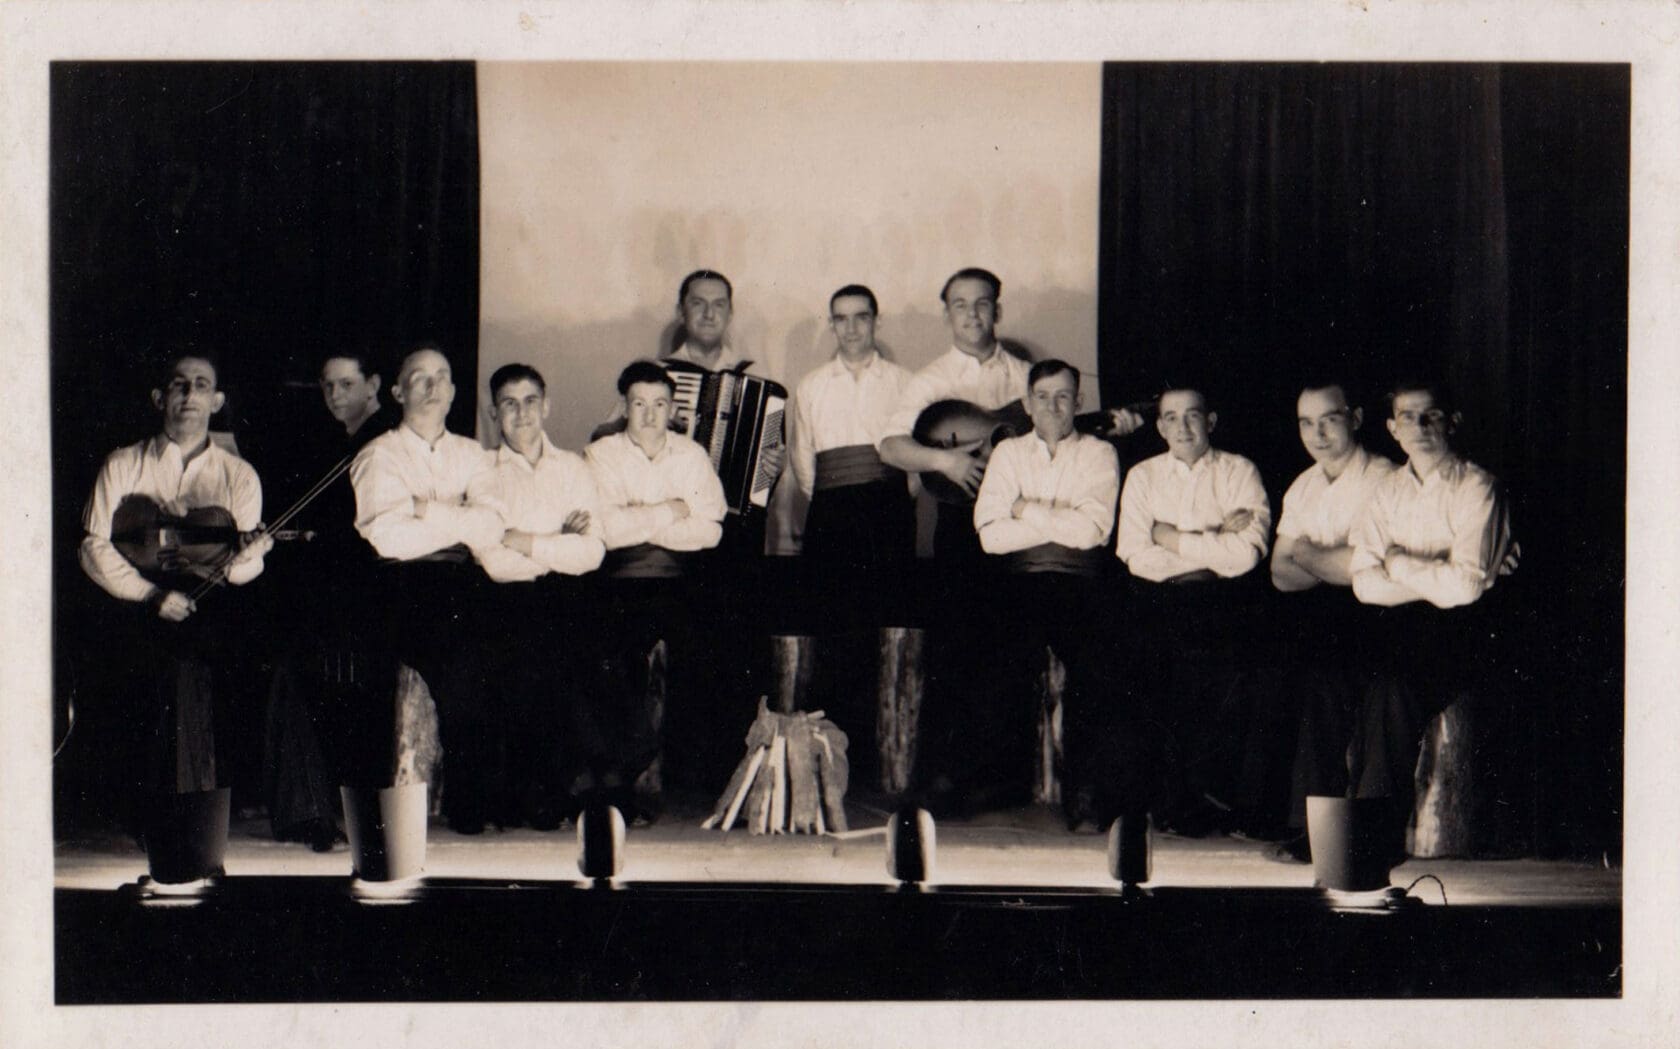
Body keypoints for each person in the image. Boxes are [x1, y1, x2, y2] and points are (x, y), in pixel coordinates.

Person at [78, 351, 274, 831]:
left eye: (201, 385)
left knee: (255, 659)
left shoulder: (239, 474)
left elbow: (239, 574)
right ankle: (162, 816)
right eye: (179, 385)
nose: (189, 395)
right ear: (159, 398)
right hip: (134, 595)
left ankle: (245, 812)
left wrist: (250, 553)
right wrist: (149, 596)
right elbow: (92, 546)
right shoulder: (123, 463)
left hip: (210, 592)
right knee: (164, 664)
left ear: (217, 401)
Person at [1340, 380, 1515, 848]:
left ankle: (1373, 835)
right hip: (1396, 623)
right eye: (1407, 417)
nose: (1418, 427)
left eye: (1430, 415)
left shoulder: (1477, 487)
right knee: (1339, 680)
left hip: (1462, 629)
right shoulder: (1386, 492)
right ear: (1392, 429)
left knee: (1393, 689)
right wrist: (1432, 570)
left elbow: (1464, 588)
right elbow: (1362, 582)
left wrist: (1396, 562)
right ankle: (1331, 830)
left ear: (1451, 422)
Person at [348, 345, 506, 834]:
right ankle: (465, 805)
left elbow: (494, 526)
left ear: (455, 391)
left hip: (463, 579)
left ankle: (491, 797)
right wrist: (460, 519)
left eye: (443, 376)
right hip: (399, 583)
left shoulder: (472, 454)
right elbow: (387, 535)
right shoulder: (378, 455)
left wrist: (424, 508)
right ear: (397, 391)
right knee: (456, 658)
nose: (433, 387)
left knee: (506, 650)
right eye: (420, 377)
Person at [1116, 383, 1273, 834]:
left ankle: (1211, 803)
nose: (1182, 427)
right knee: (1148, 677)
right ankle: (1165, 803)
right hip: (1157, 597)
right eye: (1171, 417)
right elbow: (1133, 553)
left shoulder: (1239, 471)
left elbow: (1246, 556)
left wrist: (1170, 536)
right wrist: (1214, 537)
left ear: (1211, 421)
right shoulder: (1143, 476)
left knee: (1223, 683)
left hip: (1224, 599)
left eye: (1192, 415)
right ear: (1160, 425)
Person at [972, 360, 1121, 824]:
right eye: (1043, 396)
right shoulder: (1008, 454)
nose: (1053, 406)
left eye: (1064, 396)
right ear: (1027, 404)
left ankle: (1088, 796)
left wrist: (1023, 508)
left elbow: (1092, 531)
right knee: (995, 664)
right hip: (1020, 582)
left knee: (1097, 675)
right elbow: (990, 536)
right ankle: (996, 784)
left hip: (1083, 584)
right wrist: (1056, 518)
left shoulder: (1099, 454)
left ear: (1079, 402)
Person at [261, 350, 399, 850]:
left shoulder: (387, 440)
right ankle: (312, 806)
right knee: (294, 659)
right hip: (337, 582)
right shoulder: (333, 442)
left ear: (375, 384)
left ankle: (321, 809)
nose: (335, 395)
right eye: (327, 386)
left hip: (374, 587)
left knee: (307, 665)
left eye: (346, 384)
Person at [466, 363, 606, 827]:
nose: (521, 412)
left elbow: (590, 553)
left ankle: (554, 790)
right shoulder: (482, 471)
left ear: (546, 406)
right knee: (521, 663)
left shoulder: (574, 468)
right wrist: (556, 539)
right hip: (503, 600)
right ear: (493, 412)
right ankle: (523, 796)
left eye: (530, 401)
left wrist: (523, 538)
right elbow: (493, 560)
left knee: (572, 656)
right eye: (509, 402)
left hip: (566, 597)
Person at [1263, 381, 1397, 857]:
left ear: (1355, 418)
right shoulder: (1304, 484)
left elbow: (1357, 569)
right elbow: (1279, 573)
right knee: (1277, 675)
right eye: (1305, 422)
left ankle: (1325, 834)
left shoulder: (1384, 478)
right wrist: (1326, 557)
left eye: (1328, 419)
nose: (1316, 433)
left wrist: (1306, 552)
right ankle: (1300, 823)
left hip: (1376, 611)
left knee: (1324, 680)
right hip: (1318, 608)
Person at [585, 360, 729, 801]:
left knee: (706, 658)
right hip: (619, 582)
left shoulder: (692, 455)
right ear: (625, 407)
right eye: (639, 404)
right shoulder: (601, 454)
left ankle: (689, 778)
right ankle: (622, 775)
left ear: (672, 408)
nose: (649, 415)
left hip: (680, 581)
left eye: (659, 404)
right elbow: (607, 531)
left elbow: (712, 527)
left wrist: (638, 516)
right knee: (611, 662)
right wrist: (672, 509)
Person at [790, 283, 915, 574]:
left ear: (877, 321)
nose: (852, 328)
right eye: (841, 319)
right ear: (832, 325)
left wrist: (898, 499)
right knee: (834, 607)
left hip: (889, 509)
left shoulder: (905, 382)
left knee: (888, 603)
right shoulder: (812, 385)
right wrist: (830, 497)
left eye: (861, 317)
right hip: (830, 510)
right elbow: (802, 456)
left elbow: (916, 459)